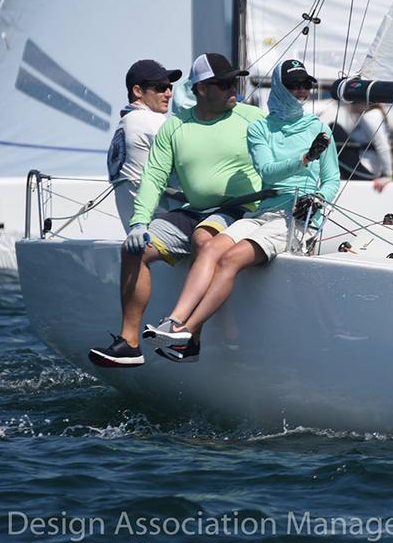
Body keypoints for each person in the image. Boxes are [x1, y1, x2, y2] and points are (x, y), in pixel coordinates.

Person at [145, 58, 340, 362]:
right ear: (280, 88)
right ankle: (175, 320)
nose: (301, 91)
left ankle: (189, 331)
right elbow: (267, 171)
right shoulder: (260, 127)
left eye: (306, 85)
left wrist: (317, 201)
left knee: (231, 259)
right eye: (294, 85)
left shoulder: (318, 128)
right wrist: (303, 159)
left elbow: (331, 180)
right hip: (264, 210)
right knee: (209, 249)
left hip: (298, 216)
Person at [88, 53, 264, 367]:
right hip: (194, 209)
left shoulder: (251, 117)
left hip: (240, 208)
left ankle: (190, 336)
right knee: (134, 250)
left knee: (202, 239)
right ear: (201, 89)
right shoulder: (175, 127)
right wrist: (139, 222)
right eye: (222, 84)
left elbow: (287, 146)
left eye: (233, 82)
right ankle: (129, 343)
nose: (232, 89)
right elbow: (154, 177)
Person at [107, 60, 177, 229]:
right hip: (165, 231)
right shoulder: (151, 121)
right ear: (138, 91)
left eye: (170, 87)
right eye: (160, 88)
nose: (168, 94)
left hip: (137, 234)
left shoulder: (124, 125)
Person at [319, 100, 393, 192]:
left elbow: (382, 145)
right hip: (362, 164)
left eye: (351, 101)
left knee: (334, 128)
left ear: (363, 102)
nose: (348, 104)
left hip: (366, 169)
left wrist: (388, 175)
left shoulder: (369, 116)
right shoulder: (368, 115)